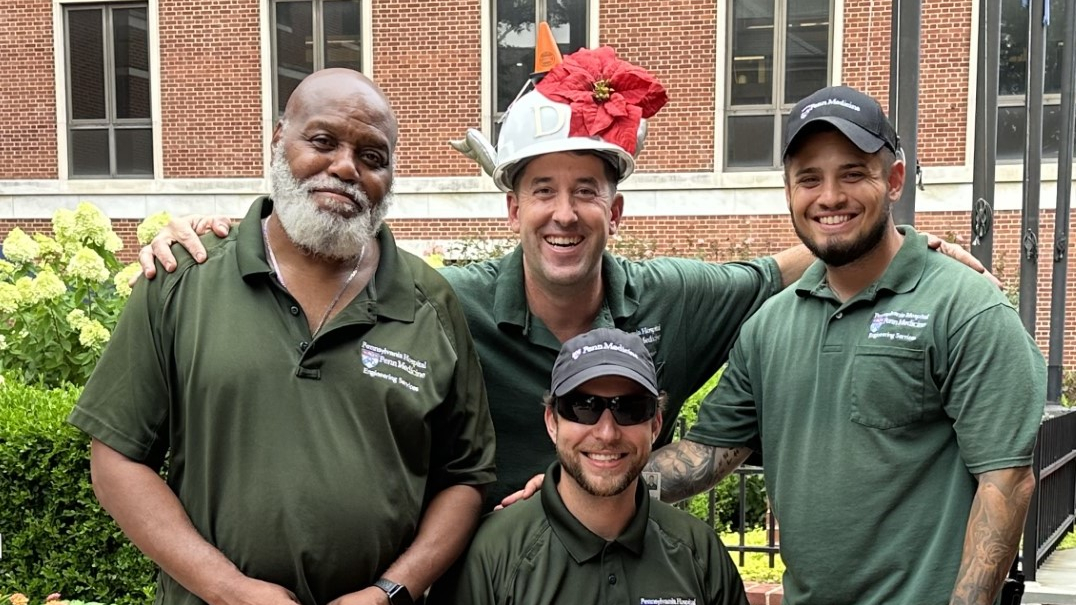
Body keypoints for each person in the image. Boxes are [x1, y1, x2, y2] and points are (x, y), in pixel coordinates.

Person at [135, 47, 994, 510]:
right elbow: (336, 262)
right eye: (542, 190)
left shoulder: (671, 298)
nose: (564, 213)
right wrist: (230, 235)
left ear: (616, 210)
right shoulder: (445, 304)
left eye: (587, 191)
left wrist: (904, 242)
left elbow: (783, 263)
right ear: (511, 206)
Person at [69, 68, 496, 605]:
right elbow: (117, 459)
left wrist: (390, 591)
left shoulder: (429, 301)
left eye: (372, 156)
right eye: (323, 141)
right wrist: (227, 589)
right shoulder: (184, 279)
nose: (346, 167)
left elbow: (465, 478)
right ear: (278, 140)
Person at [645, 85, 1046, 605]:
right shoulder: (768, 326)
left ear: (894, 179)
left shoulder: (965, 307)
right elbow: (707, 454)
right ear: (789, 191)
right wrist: (591, 480)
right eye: (809, 179)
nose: (830, 196)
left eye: (853, 174)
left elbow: (1006, 480)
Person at [428, 328, 749, 605]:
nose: (607, 433)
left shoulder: (699, 552)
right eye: (583, 407)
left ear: (655, 425)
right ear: (552, 422)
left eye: (630, 408)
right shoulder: (489, 555)